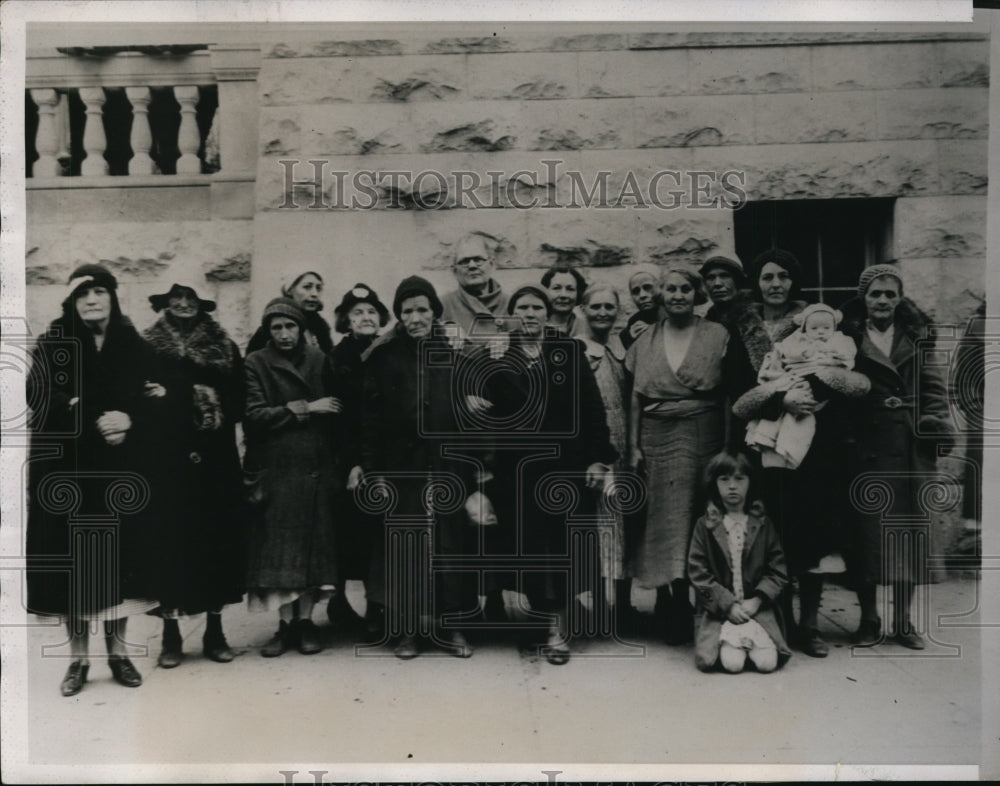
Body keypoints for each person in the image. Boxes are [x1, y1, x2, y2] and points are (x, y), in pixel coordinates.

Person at [26, 264, 162, 695]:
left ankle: (118, 654)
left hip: (119, 469)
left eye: (99, 291)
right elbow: (37, 394)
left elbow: (153, 395)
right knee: (76, 566)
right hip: (69, 469)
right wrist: (84, 410)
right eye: (82, 293)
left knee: (118, 563)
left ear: (112, 297)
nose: (91, 300)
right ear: (71, 301)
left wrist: (131, 417)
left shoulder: (134, 345)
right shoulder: (53, 343)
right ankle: (78, 661)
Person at [483, 285, 616, 664]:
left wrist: (598, 459)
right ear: (511, 315)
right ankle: (538, 623)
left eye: (536, 307)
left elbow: (593, 409)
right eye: (521, 307)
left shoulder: (569, 352)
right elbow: (480, 409)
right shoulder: (497, 356)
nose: (529, 313)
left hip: (566, 469)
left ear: (547, 313)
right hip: (516, 474)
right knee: (527, 551)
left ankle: (557, 632)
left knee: (561, 551)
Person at [357, 276, 480, 660]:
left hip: (448, 466)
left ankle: (452, 626)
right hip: (402, 468)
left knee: (450, 546)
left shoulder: (457, 355)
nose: (415, 318)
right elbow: (370, 419)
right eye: (407, 311)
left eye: (422, 309)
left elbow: (473, 415)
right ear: (398, 316)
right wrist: (372, 469)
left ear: (434, 313)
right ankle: (408, 629)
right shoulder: (383, 357)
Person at [840, 265, 954, 650]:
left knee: (908, 533)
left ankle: (903, 620)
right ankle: (869, 619)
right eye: (876, 294)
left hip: (909, 447)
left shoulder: (918, 337)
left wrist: (933, 425)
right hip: (866, 446)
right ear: (864, 299)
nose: (883, 301)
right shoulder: (847, 338)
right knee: (866, 536)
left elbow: (935, 389)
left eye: (890, 294)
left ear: (900, 298)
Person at [142, 276, 247, 667]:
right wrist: (168, 402)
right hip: (166, 459)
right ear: (165, 302)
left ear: (202, 302)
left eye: (191, 297)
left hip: (215, 458)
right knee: (171, 543)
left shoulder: (223, 344)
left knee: (215, 540)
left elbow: (239, 398)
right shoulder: (147, 345)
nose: (184, 303)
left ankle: (215, 632)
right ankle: (170, 637)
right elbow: (139, 396)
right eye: (177, 296)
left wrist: (210, 401)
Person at [626, 267, 729, 644]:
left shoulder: (716, 334)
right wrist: (634, 446)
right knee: (664, 520)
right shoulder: (645, 339)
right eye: (670, 288)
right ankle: (670, 600)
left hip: (705, 430)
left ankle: (702, 598)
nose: (678, 295)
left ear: (696, 293)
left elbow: (728, 393)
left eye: (686, 288)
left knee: (702, 515)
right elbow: (636, 396)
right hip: (658, 436)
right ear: (661, 295)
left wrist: (728, 447)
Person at [244, 297, 342, 656]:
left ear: (301, 329)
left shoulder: (319, 360)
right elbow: (254, 414)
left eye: (290, 326)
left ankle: (305, 624)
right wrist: (305, 408)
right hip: (278, 471)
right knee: (280, 558)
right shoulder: (256, 363)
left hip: (316, 468)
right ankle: (284, 627)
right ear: (268, 332)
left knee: (313, 555)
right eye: (276, 328)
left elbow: (336, 413)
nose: (284, 334)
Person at [324, 283, 391, 634]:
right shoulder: (337, 359)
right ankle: (348, 604)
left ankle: (379, 606)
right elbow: (339, 417)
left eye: (370, 312)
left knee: (379, 535)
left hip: (384, 455)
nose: (366, 317)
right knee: (354, 535)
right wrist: (353, 462)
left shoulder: (389, 351)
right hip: (350, 461)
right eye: (357, 313)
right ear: (346, 321)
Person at [687, 451, 791, 673]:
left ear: (750, 483)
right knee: (732, 665)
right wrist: (728, 604)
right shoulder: (705, 525)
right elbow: (698, 573)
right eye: (724, 479)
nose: (732, 486)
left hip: (757, 609)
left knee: (767, 664)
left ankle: (754, 644)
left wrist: (757, 600)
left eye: (739, 479)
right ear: (714, 484)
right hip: (721, 612)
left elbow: (778, 570)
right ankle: (732, 644)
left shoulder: (762, 523)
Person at [579, 283, 635, 626]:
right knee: (600, 528)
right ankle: (599, 603)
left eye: (609, 307)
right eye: (596, 307)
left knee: (623, 525)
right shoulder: (578, 350)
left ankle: (624, 605)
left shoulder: (623, 348)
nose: (602, 313)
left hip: (625, 448)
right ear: (583, 310)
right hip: (595, 452)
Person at [746, 302, 859, 469]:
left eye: (826, 328)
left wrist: (831, 358)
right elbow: (787, 353)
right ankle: (769, 442)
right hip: (794, 379)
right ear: (805, 328)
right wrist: (802, 354)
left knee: (801, 423)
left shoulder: (840, 340)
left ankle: (788, 451)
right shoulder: (797, 340)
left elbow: (846, 359)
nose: (820, 332)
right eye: (814, 328)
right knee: (784, 417)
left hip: (826, 405)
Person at [440, 233, 510, 340]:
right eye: (464, 261)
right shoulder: (443, 306)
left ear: (492, 264)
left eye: (478, 260)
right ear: (454, 270)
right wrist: (443, 329)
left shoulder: (511, 304)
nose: (472, 266)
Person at [246, 271, 333, 354]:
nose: (315, 294)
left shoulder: (321, 328)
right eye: (307, 287)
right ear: (289, 290)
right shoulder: (270, 328)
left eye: (318, 288)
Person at [619, 264, 666, 350]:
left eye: (648, 287)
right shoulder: (634, 322)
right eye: (636, 291)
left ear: (661, 287)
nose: (642, 295)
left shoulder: (674, 316)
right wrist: (630, 339)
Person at [541, 264, 587, 336]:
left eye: (570, 289)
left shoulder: (588, 328)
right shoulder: (536, 327)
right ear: (545, 291)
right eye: (556, 288)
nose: (563, 295)